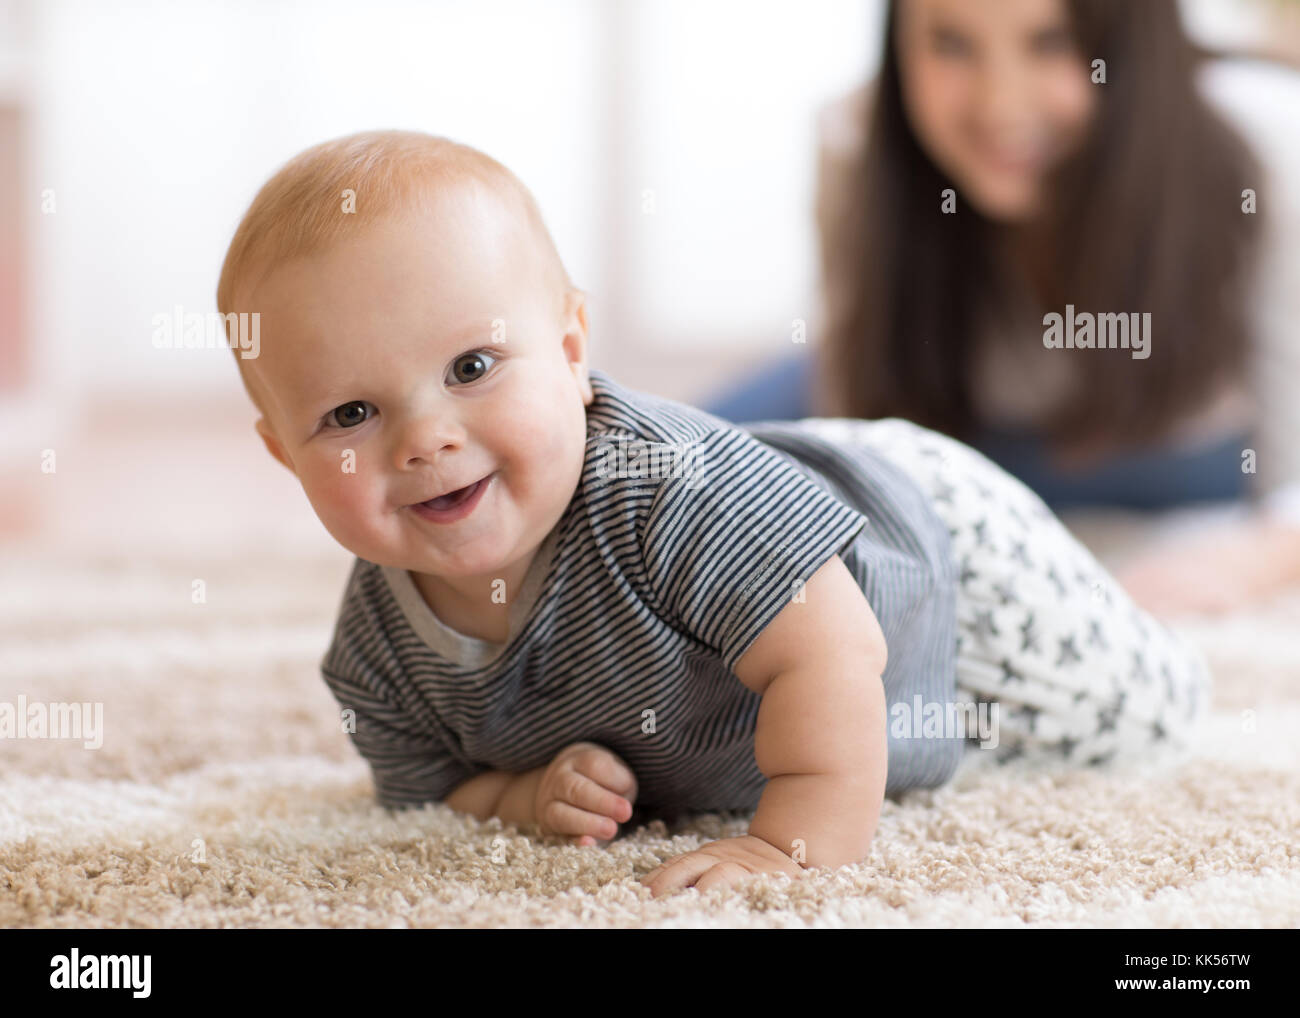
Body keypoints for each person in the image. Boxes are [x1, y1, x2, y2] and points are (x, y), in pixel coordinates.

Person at [215, 130, 1211, 898]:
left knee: (1147, 715)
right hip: (806, 654)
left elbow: (828, 649)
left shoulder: (663, 490)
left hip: (925, 558)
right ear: (282, 451)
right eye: (351, 412)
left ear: (570, 350)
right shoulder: (376, 655)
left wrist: (793, 841)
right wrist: (524, 795)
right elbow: (429, 789)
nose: (425, 436)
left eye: (472, 368)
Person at [703, 0, 1300, 617]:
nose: (1000, 104)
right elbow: (864, 448)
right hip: (963, 440)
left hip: (1184, 456)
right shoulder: (855, 139)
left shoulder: (1269, 140)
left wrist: (1248, 558)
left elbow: (1289, 490)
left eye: (1049, 42)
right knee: (671, 466)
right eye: (952, 44)